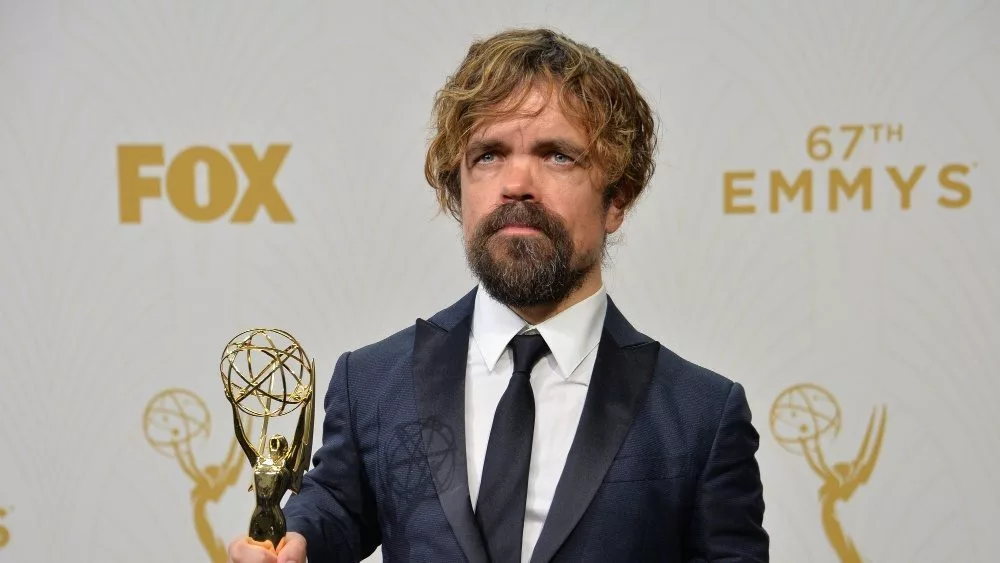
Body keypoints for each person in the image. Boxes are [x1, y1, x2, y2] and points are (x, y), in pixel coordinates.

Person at [229, 27, 768, 563]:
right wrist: (291, 541)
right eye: (488, 155)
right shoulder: (372, 383)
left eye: (557, 155)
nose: (517, 183)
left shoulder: (701, 416)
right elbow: (333, 508)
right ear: (456, 190)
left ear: (617, 198)